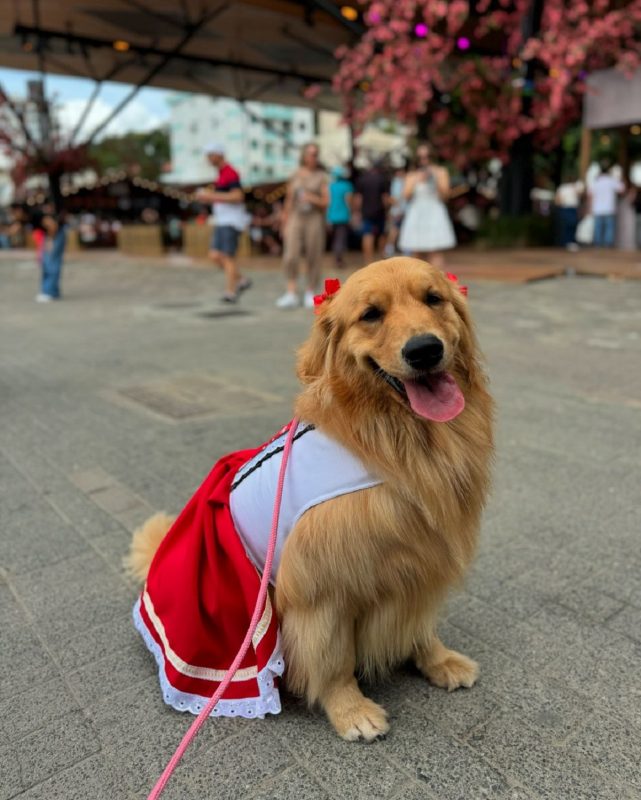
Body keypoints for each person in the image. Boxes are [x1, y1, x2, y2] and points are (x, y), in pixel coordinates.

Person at [196, 142, 252, 303]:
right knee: (215, 255)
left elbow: (237, 196)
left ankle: (231, 291)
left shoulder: (230, 172)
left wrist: (210, 196)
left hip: (231, 221)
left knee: (228, 257)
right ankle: (241, 280)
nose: (207, 159)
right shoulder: (221, 174)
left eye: (210, 155)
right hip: (222, 221)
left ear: (218, 155)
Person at [276, 143, 329, 310]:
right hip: (296, 217)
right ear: (304, 156)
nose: (314, 157)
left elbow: (326, 202)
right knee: (290, 255)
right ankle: (291, 292)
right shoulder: (295, 175)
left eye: (316, 154)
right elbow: (289, 200)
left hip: (314, 218)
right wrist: (284, 221)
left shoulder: (322, 176)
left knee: (314, 254)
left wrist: (311, 198)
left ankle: (310, 291)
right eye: (311, 154)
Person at [399, 143, 456, 268]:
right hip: (417, 213)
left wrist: (434, 179)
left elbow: (446, 195)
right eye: (420, 157)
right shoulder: (412, 175)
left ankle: (437, 284)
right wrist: (416, 181)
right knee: (415, 252)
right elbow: (406, 196)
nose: (424, 160)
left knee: (435, 251)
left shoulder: (441, 172)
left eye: (427, 157)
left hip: (434, 212)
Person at [355, 160, 390, 263]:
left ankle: (368, 261)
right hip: (380, 211)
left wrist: (357, 211)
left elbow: (358, 198)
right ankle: (382, 259)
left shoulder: (362, 179)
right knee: (382, 234)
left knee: (367, 235)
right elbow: (385, 198)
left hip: (366, 212)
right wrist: (387, 210)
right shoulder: (383, 179)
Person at [589, 161, 625, 248]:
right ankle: (608, 247)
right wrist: (619, 178)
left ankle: (597, 246)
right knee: (609, 229)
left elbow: (590, 194)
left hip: (597, 209)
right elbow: (622, 189)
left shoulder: (596, 182)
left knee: (598, 228)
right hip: (609, 208)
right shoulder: (612, 181)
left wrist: (590, 207)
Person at [35, 204, 67, 302]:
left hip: (54, 236)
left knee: (50, 263)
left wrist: (49, 240)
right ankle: (51, 291)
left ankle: (49, 292)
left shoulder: (39, 214)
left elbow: (52, 225)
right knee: (50, 263)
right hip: (55, 235)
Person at [327, 165, 353, 269]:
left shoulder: (330, 186)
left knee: (335, 239)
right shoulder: (347, 186)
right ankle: (339, 260)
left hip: (331, 216)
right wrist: (352, 213)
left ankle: (336, 258)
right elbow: (349, 201)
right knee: (340, 238)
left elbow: (328, 202)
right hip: (343, 216)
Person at [555, 172, 584, 251]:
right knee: (568, 224)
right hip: (566, 208)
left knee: (573, 225)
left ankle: (570, 242)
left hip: (573, 208)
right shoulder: (562, 188)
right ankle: (566, 242)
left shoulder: (576, 186)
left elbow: (580, 195)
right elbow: (557, 200)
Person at [384, 163, 407, 257]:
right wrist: (399, 209)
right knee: (395, 231)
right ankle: (389, 250)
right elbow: (394, 198)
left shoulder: (400, 181)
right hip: (399, 211)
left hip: (400, 210)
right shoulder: (397, 182)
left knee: (396, 231)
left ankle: (390, 250)